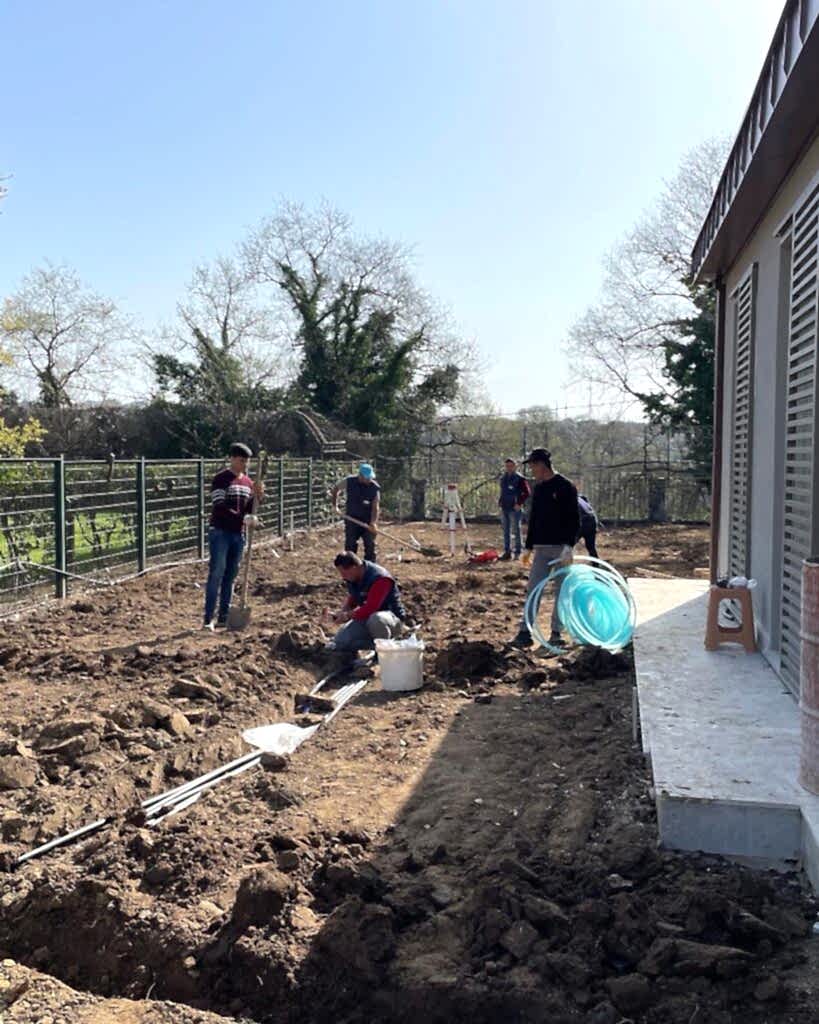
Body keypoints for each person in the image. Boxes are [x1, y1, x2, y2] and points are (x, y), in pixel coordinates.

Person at [512, 448, 580, 648]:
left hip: (561, 550)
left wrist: (569, 546)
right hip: (541, 549)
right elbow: (534, 518)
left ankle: (556, 634)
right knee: (533, 589)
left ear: (541, 465)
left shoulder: (566, 486)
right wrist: (528, 547)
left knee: (561, 591)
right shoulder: (540, 488)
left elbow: (574, 520)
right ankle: (525, 632)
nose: (532, 471)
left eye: (533, 466)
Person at [203, 442, 264, 629]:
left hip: (238, 534)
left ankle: (224, 616)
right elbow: (220, 506)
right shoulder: (221, 479)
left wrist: (258, 496)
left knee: (230, 575)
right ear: (232, 459)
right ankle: (208, 619)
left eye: (247, 461)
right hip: (220, 531)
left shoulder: (248, 482)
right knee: (217, 573)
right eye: (241, 461)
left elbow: (249, 507)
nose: (245, 465)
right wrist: (243, 518)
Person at [323, 551, 407, 661]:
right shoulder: (354, 577)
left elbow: (371, 608)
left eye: (344, 573)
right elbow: (354, 598)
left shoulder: (380, 578)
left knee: (376, 619)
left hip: (391, 620)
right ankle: (383, 645)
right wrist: (342, 612)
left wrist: (348, 615)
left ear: (354, 567)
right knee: (341, 641)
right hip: (368, 619)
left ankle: (384, 653)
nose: (343, 577)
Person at [332, 462, 380, 562]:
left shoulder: (374, 488)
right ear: (360, 476)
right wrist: (335, 506)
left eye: (370, 477)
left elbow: (375, 507)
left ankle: (370, 566)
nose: (369, 480)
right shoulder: (349, 481)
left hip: (367, 521)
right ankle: (349, 566)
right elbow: (335, 489)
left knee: (370, 545)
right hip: (351, 519)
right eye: (367, 478)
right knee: (350, 545)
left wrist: (373, 523)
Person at [498, 457, 531, 560]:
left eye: (511, 466)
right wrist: (500, 501)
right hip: (505, 507)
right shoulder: (503, 478)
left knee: (516, 529)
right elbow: (503, 491)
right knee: (505, 530)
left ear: (515, 466)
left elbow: (527, 492)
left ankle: (518, 551)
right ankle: (507, 551)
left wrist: (519, 503)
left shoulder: (520, 479)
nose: (509, 468)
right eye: (507, 466)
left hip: (514, 508)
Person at [578, 493, 599, 559]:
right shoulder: (581, 498)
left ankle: (562, 563)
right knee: (591, 547)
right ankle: (595, 564)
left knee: (566, 546)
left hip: (583, 523)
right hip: (592, 522)